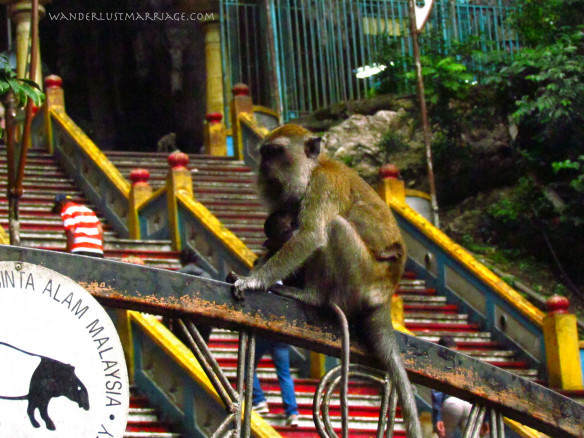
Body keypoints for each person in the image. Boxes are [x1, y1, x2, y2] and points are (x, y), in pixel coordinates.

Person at [251, 209, 300, 427]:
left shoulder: (265, 272)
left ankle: (259, 399)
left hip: (265, 325)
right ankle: (293, 412)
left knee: (247, 364)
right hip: (282, 328)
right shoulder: (287, 271)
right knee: (284, 372)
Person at [432, 336, 489, 438]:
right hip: (468, 405)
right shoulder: (466, 365)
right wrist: (485, 419)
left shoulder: (440, 365)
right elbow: (481, 390)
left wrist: (438, 418)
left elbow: (437, 393)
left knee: (445, 435)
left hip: (451, 403)